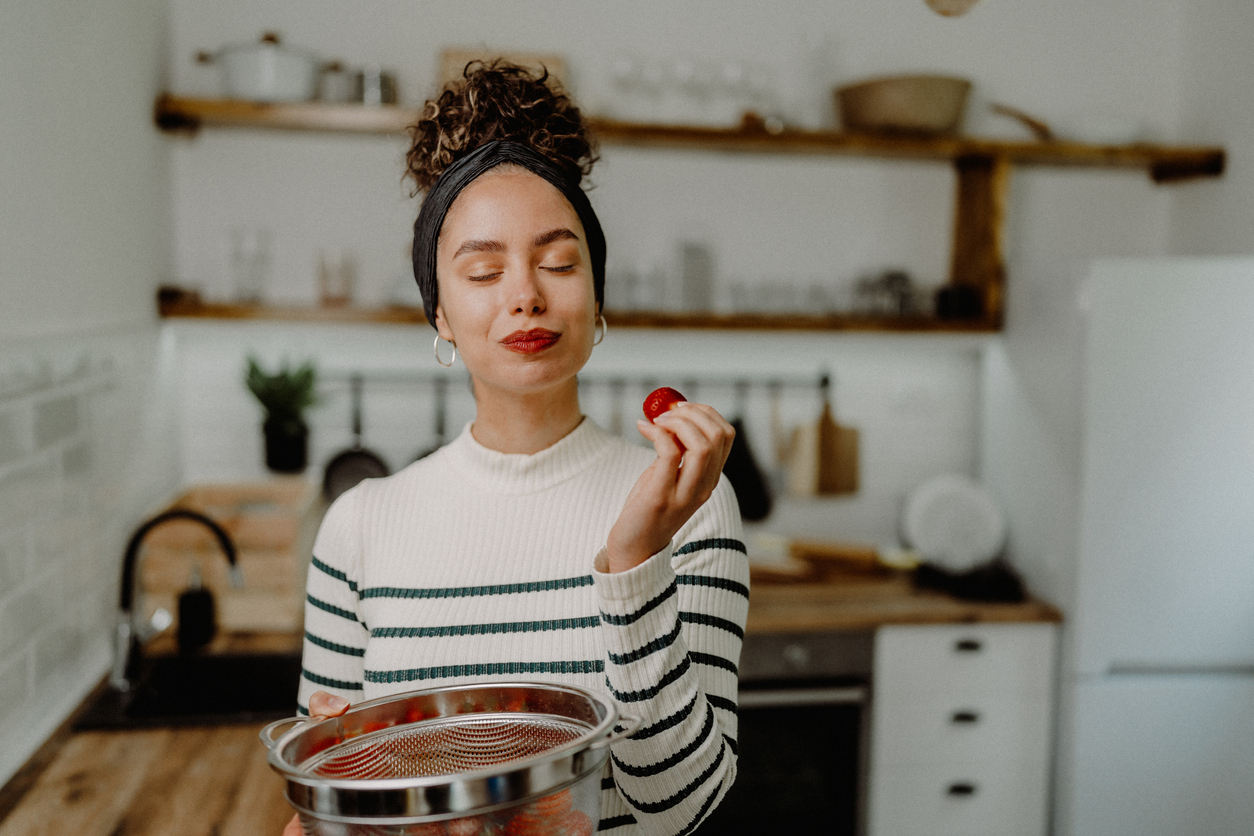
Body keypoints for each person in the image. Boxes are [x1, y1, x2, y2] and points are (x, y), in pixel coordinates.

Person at [287, 60, 748, 836]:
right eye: (483, 269)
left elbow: (679, 812)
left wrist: (634, 563)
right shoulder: (360, 526)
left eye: (560, 262)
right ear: (440, 316)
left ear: (596, 293)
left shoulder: (684, 506)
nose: (526, 293)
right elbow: (322, 812)